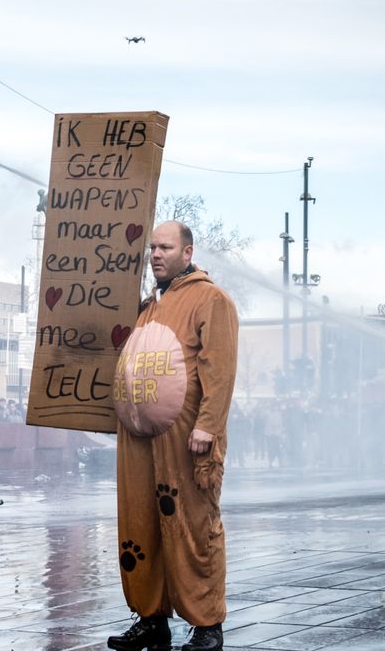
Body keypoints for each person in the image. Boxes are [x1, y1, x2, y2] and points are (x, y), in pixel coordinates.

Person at [107, 221, 238, 651]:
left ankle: (207, 625)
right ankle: (151, 617)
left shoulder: (211, 300)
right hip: (139, 439)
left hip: (186, 437)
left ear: (188, 252)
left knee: (193, 525)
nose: (155, 254)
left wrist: (208, 425)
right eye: (152, 248)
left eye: (165, 247)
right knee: (141, 524)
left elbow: (220, 371)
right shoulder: (148, 307)